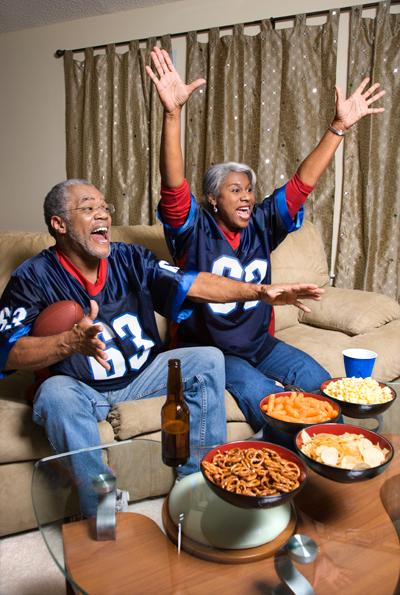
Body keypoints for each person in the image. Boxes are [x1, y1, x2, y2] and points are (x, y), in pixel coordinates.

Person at [0, 178, 323, 515]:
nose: (103, 216)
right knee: (54, 393)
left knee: (208, 359)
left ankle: (197, 478)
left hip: (142, 376)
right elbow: (6, 351)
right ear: (59, 224)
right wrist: (67, 343)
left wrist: (258, 291)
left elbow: (193, 282)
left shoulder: (131, 258)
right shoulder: (33, 276)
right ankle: (100, 505)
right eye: (88, 208)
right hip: (82, 388)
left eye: (104, 208)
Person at [146, 47, 386, 441]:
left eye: (249, 190)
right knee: (267, 404)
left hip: (261, 344)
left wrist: (338, 127)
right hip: (214, 353)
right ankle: (293, 475)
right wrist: (172, 114)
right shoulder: (192, 228)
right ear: (212, 199)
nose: (246, 197)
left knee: (322, 385)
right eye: (234, 189)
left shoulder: (261, 223)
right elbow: (173, 184)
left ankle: (338, 460)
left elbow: (301, 183)